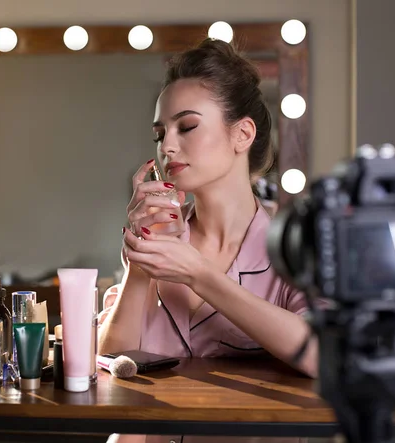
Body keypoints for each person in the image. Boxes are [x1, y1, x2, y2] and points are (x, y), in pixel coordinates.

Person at [98, 38, 317, 443]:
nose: (167, 146)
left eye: (188, 126)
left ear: (242, 134)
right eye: (159, 134)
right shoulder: (158, 240)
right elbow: (110, 364)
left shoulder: (293, 250)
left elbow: (323, 355)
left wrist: (200, 276)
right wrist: (142, 267)